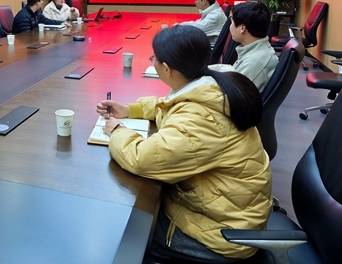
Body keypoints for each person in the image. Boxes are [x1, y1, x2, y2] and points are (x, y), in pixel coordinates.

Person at [96, 25, 271, 263]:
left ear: (167, 69)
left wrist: (117, 130)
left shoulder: (201, 117)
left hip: (220, 235)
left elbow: (141, 158)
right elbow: (170, 106)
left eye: (154, 60)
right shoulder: (210, 84)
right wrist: (129, 109)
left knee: (123, 234)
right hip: (222, 209)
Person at [213, 1, 278, 92]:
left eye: (231, 23)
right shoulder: (254, 50)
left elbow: (231, 94)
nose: (230, 27)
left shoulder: (254, 62)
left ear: (242, 28)